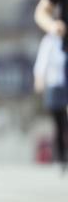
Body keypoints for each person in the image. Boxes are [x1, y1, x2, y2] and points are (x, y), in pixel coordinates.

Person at [33, 33, 68, 171]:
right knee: (59, 122)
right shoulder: (50, 41)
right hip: (55, 84)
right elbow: (42, 62)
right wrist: (39, 79)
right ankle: (60, 157)